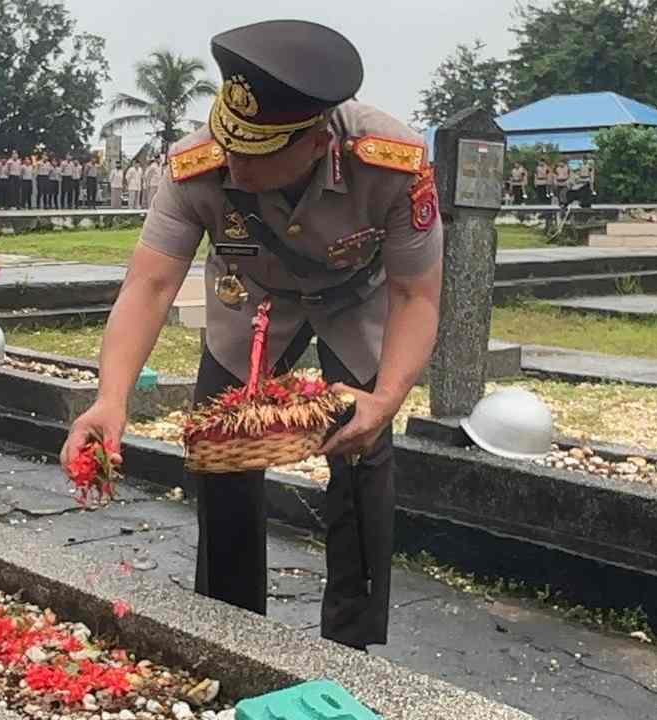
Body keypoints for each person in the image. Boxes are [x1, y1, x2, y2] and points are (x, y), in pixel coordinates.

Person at [58, 19, 443, 652]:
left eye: (254, 155)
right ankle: (232, 626)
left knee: (364, 453)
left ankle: (353, 642)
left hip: (357, 300)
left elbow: (415, 293)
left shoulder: (392, 162)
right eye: (229, 145)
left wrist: (389, 397)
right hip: (253, 305)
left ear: (317, 141)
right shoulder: (197, 165)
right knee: (219, 448)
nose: (233, 165)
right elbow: (148, 286)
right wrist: (111, 398)